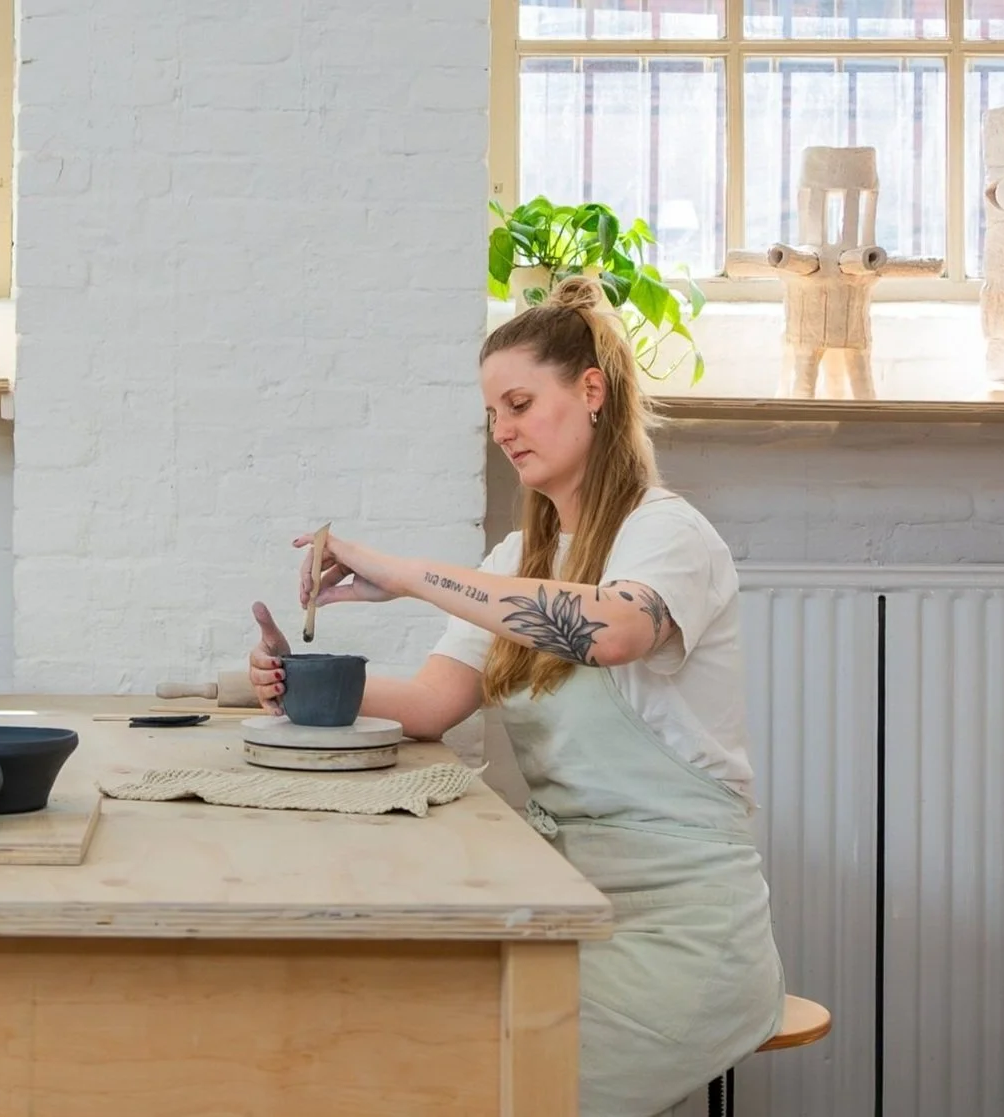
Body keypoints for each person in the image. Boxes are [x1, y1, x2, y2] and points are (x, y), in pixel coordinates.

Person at [247, 276, 785, 1117]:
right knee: (393, 1036)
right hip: (564, 909)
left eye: (522, 403)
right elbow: (428, 703)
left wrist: (406, 573)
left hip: (684, 937)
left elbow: (611, 631)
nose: (504, 430)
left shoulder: (669, 533)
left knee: (460, 1079)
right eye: (494, 413)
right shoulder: (514, 553)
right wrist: (295, 692)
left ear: (592, 391)